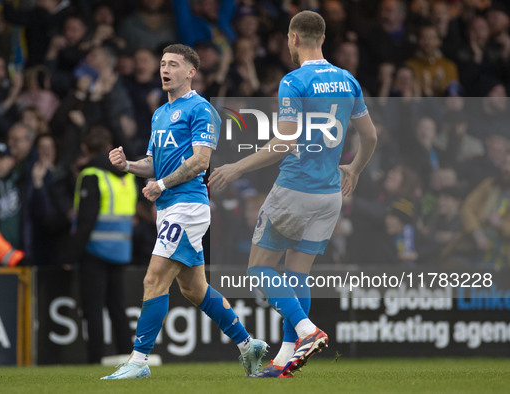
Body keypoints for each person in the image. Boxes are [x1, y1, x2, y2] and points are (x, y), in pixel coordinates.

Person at [209, 11, 377, 377]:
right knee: (296, 273)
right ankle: (286, 357)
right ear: (323, 37)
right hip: (330, 194)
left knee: (259, 267)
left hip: (295, 188)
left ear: (294, 39)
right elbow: (371, 137)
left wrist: (236, 167)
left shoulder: (294, 81)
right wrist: (354, 169)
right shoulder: (347, 80)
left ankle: (306, 331)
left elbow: (284, 142)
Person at [103, 44, 268, 380]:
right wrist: (128, 165)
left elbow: (201, 162)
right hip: (168, 207)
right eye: (163, 64)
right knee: (194, 289)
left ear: (191, 72)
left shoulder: (201, 110)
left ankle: (138, 362)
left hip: (188, 207)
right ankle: (248, 345)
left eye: (174, 64)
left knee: (154, 279)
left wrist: (162, 185)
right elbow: (153, 163)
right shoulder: (159, 113)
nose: (166, 69)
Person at [71, 126, 137, 363]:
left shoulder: (91, 174)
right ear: (110, 148)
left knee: (94, 308)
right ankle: (127, 354)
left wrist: (72, 254)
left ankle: (95, 357)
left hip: (95, 251)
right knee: (118, 307)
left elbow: (86, 221)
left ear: (85, 148)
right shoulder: (127, 176)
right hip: (121, 250)